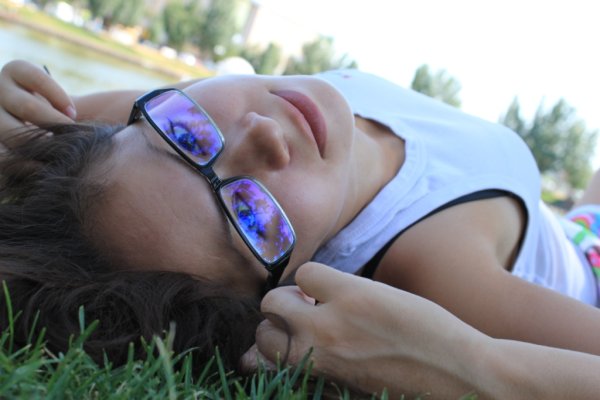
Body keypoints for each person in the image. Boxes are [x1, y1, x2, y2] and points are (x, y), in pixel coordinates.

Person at [2, 59, 600, 396]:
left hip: (568, 223)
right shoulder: (436, 266)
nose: (260, 133)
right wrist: (473, 363)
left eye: (185, 132)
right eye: (250, 215)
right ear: (290, 289)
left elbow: (47, 122)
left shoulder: (157, 133)